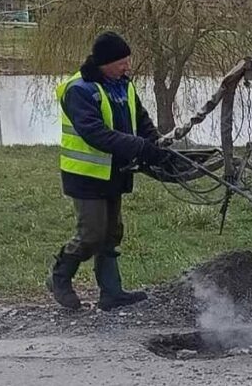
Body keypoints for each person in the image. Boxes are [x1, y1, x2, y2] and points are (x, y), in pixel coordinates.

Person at [47, 31, 168, 311]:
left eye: (128, 61)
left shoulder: (123, 85)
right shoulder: (79, 89)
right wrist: (139, 147)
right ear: (105, 62)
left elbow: (141, 119)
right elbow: (95, 133)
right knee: (91, 233)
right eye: (122, 62)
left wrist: (157, 145)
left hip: (115, 172)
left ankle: (111, 293)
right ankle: (59, 278)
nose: (127, 67)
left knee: (112, 232)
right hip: (86, 175)